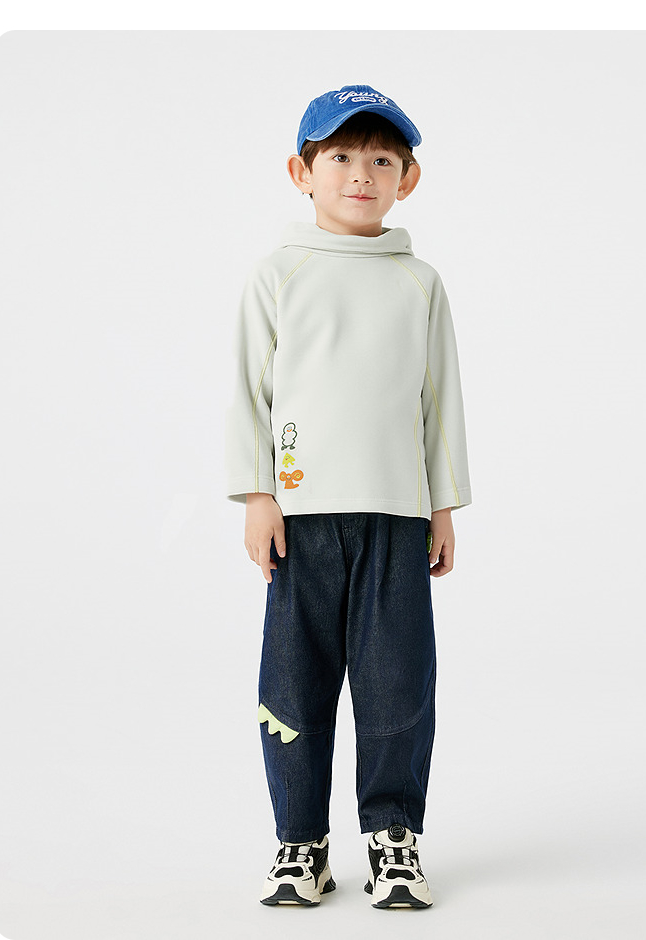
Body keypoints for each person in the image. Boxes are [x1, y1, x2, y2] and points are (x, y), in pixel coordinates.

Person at [224, 84, 472, 909]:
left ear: (408, 178)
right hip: (300, 519)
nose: (361, 174)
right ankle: (300, 841)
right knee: (294, 685)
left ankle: (394, 837)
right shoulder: (278, 275)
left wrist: (442, 505)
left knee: (398, 682)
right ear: (302, 172)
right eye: (340, 157)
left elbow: (440, 401)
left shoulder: (419, 283)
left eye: (381, 160)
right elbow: (249, 392)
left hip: (397, 516)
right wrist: (257, 494)